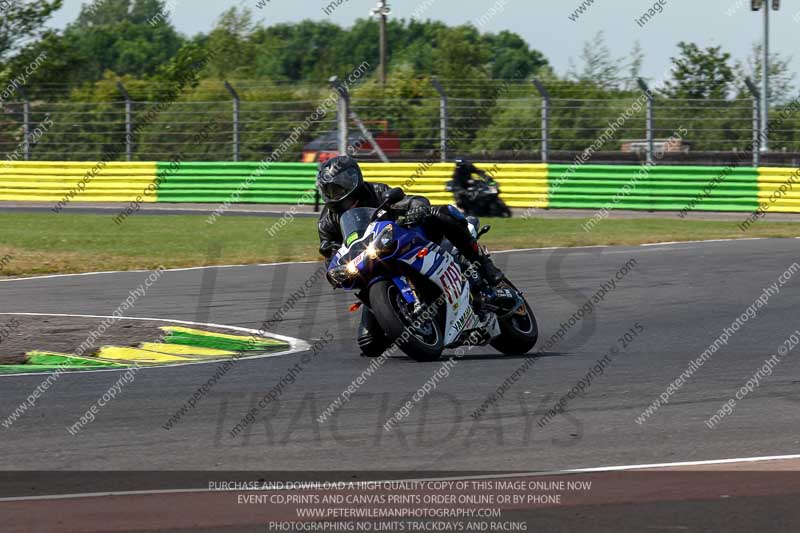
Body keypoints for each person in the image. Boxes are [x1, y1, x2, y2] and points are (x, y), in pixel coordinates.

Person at [316, 155, 505, 357]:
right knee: (369, 343)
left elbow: (409, 200)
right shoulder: (326, 222)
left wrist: (416, 207)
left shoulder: (376, 191)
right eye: (328, 190)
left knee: (441, 213)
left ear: (352, 180)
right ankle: (406, 319)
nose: (334, 194)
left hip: (403, 242)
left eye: (338, 188)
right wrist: (335, 272)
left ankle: (483, 265)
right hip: (371, 265)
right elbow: (332, 254)